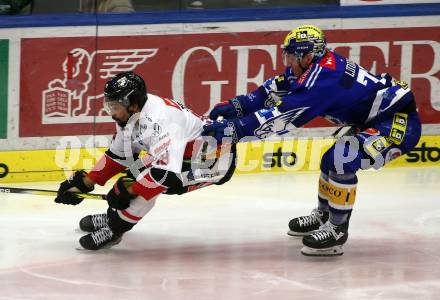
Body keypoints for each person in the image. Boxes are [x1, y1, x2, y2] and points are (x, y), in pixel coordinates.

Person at [203, 24, 421, 256]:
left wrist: (236, 128)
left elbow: (283, 116)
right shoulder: (315, 66)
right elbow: (276, 89)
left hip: (397, 125)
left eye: (290, 56)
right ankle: (324, 216)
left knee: (340, 159)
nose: (287, 62)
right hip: (375, 120)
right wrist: (238, 105)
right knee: (331, 160)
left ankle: (337, 230)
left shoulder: (324, 80)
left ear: (306, 56)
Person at [55, 71, 236, 250]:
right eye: (109, 105)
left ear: (132, 105)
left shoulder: (162, 120)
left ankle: (115, 228)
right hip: (184, 154)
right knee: (134, 177)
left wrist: (128, 192)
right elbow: (119, 156)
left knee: (140, 182)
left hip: (213, 162)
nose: (111, 112)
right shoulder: (129, 115)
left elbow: (164, 176)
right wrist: (86, 182)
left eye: (114, 106)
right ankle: (115, 216)